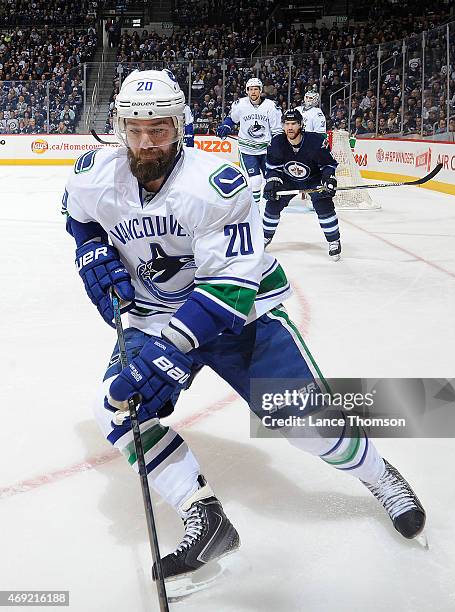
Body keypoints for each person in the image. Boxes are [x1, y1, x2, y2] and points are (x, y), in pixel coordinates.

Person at [63, 69, 425, 584]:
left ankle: (380, 476)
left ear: (180, 124)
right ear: (120, 126)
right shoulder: (94, 172)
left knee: (308, 425)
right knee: (116, 409)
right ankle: (204, 515)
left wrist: (168, 354)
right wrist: (90, 249)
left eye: (159, 129)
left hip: (240, 316)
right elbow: (78, 214)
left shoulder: (215, 185)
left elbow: (227, 294)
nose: (146, 143)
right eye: (135, 129)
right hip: (154, 312)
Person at [263, 109, 341, 259]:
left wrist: (329, 179)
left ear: (301, 125)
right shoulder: (277, 142)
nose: (290, 127)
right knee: (272, 204)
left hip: (313, 178)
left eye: (293, 123)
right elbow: (273, 168)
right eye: (287, 124)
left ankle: (334, 240)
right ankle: (265, 237)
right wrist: (272, 182)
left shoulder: (316, 141)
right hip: (288, 179)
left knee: (324, 205)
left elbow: (328, 165)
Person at [215, 77, 282, 207]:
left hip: (266, 149)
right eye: (250, 89)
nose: (253, 92)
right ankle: (255, 209)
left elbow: (277, 130)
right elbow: (231, 119)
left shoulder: (271, 106)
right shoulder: (240, 104)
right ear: (247, 91)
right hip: (247, 149)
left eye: (256, 89)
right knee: (255, 181)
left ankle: (272, 207)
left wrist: (277, 146)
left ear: (260, 90)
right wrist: (225, 126)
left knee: (272, 179)